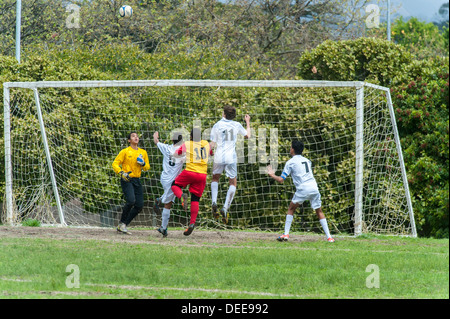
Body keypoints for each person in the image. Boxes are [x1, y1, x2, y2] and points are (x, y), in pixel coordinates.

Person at [266, 140, 335, 243]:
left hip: (303, 188)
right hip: (314, 187)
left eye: (290, 147)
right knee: (319, 211)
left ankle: (286, 234)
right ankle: (329, 237)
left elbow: (281, 180)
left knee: (291, 208)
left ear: (292, 149)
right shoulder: (307, 161)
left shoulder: (290, 162)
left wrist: (272, 175)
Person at [210, 105, 251, 224]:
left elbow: (212, 143)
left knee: (215, 178)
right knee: (233, 182)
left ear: (224, 114)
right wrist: (247, 122)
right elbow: (247, 136)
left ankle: (214, 201)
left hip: (219, 155)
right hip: (230, 157)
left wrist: (209, 151)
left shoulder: (217, 124)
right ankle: (225, 207)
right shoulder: (237, 125)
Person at [171, 127, 213, 236]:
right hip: (202, 175)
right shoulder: (206, 144)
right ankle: (192, 224)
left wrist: (177, 154)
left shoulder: (187, 144)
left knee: (174, 185)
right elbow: (211, 153)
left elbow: (177, 154)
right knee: (195, 199)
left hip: (190, 172)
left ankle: (181, 196)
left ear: (190, 137)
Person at [112, 132, 150, 234]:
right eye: (133, 136)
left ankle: (123, 224)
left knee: (139, 205)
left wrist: (143, 163)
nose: (136, 137)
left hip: (137, 180)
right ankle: (122, 224)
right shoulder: (125, 151)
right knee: (131, 200)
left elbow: (147, 167)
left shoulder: (143, 152)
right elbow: (115, 163)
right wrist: (121, 172)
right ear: (129, 140)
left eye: (137, 136)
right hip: (127, 178)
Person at [152, 131, 185, 237]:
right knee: (168, 204)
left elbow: (156, 142)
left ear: (172, 140)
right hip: (172, 181)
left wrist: (155, 135)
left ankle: (159, 200)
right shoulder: (182, 152)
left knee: (167, 200)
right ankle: (163, 228)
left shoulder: (166, 147)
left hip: (164, 178)